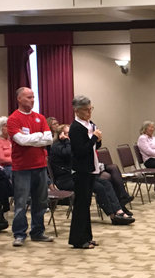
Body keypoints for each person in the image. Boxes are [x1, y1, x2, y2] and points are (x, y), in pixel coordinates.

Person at [50, 124, 135, 225]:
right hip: (65, 180)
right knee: (99, 187)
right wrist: (66, 140)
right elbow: (68, 153)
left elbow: (89, 149)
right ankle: (113, 216)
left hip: (78, 176)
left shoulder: (71, 144)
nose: (71, 136)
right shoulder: (56, 146)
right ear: (61, 135)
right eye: (68, 133)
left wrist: (97, 140)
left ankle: (119, 211)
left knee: (106, 183)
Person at [8, 87, 54, 247]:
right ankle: (19, 234)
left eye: (33, 97)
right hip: (22, 168)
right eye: (29, 97)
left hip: (40, 166)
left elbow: (49, 139)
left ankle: (38, 232)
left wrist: (31, 138)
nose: (32, 100)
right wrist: (38, 137)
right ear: (19, 99)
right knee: (21, 203)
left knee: (40, 202)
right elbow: (20, 141)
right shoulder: (13, 119)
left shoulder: (40, 118)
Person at [68, 96, 102, 249]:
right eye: (86, 110)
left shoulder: (90, 124)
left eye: (90, 109)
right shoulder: (75, 128)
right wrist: (94, 138)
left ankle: (87, 237)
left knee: (86, 204)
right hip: (81, 170)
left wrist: (98, 139)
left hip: (91, 168)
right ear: (76, 111)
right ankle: (78, 239)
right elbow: (80, 151)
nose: (89, 112)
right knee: (81, 205)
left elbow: (94, 147)